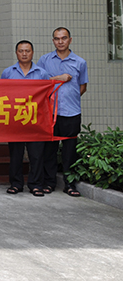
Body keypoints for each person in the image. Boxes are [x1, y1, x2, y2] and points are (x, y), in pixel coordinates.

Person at [38, 27, 88, 197]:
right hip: (49, 113)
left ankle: (70, 184)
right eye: (57, 38)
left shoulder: (80, 62)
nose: (60, 42)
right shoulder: (44, 60)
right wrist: (59, 78)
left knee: (69, 151)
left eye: (64, 38)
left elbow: (82, 87)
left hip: (71, 112)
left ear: (70, 40)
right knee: (49, 150)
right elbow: (39, 83)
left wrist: (69, 98)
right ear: (53, 41)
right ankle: (49, 182)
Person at [1, 40, 49, 196]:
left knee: (36, 155)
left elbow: (47, 97)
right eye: (21, 51)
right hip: (15, 120)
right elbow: (2, 95)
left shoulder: (42, 73)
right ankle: (16, 184)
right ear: (16, 53)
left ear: (32, 53)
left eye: (27, 51)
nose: (24, 54)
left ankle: (36, 184)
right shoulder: (8, 73)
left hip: (36, 121)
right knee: (16, 154)